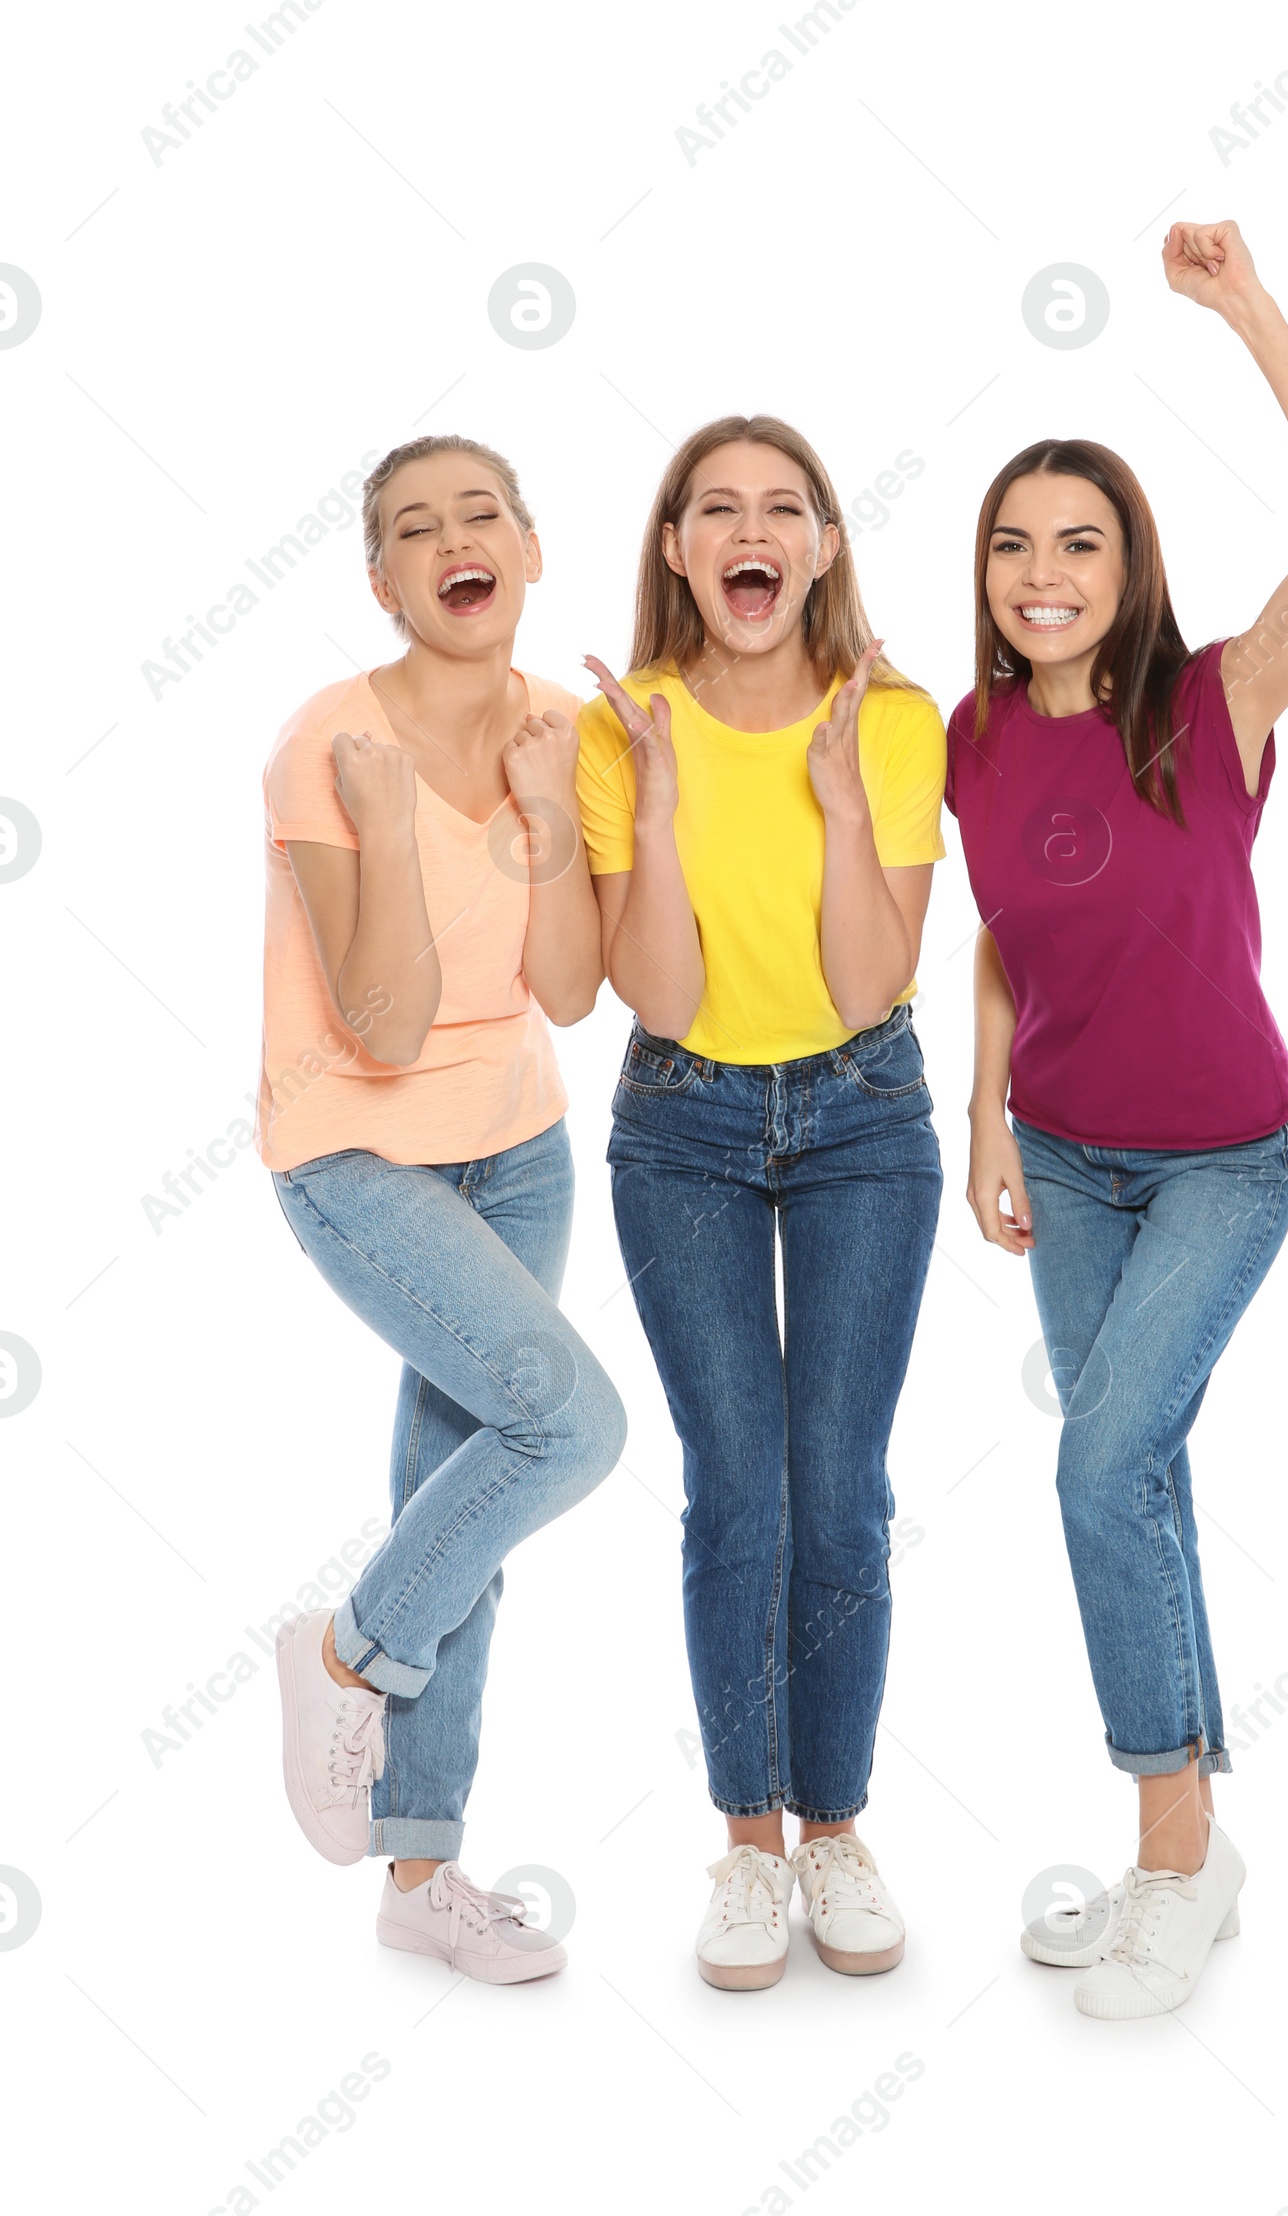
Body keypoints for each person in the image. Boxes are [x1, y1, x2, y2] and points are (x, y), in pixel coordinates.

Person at [950, 222, 1288, 2017]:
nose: (1044, 573)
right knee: (1144, 1471)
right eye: (1014, 543)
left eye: (1081, 543)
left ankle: (1166, 1862)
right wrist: (984, 1119)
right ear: (981, 569)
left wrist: (1252, 312)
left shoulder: (1217, 699)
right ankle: (1198, 1845)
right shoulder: (974, 739)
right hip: (1065, 1154)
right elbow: (1000, 933)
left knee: (1100, 1464)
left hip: (1230, 1157)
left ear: (1131, 567)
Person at [576, 415, 946, 1989]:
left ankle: (837, 1827)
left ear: (824, 545)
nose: (752, 530)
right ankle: (747, 1847)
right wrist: (655, 809)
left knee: (839, 1485)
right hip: (686, 1128)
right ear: (678, 551)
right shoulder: (623, 727)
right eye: (716, 509)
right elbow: (652, 997)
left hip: (865, 1115)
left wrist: (843, 801)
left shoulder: (899, 719)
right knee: (739, 1484)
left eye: (783, 507)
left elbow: (875, 981)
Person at [260, 433, 626, 1984]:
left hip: (518, 1144)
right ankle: (343, 1650)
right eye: (417, 529)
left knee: (460, 1489)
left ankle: (424, 1874)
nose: (454, 540)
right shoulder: (329, 742)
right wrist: (400, 823)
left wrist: (552, 818)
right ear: (385, 582)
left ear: (530, 550)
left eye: (483, 513)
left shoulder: (565, 731)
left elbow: (565, 991)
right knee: (568, 1430)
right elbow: (389, 1028)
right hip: (354, 1151)